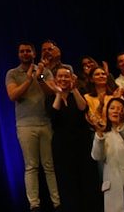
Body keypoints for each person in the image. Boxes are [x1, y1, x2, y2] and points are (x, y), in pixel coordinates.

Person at [5, 42, 61, 211]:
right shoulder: (13, 73)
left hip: (45, 122)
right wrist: (29, 79)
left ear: (34, 53)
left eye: (28, 51)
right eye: (22, 51)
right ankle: (34, 204)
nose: (25, 54)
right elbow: (13, 95)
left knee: (49, 165)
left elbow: (53, 91)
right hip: (25, 125)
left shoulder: (45, 71)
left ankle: (57, 202)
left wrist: (40, 77)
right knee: (31, 166)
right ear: (18, 54)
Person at [47, 65, 101, 212]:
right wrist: (58, 94)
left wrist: (74, 89)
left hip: (82, 142)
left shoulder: (79, 92)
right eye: (60, 76)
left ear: (72, 78)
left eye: (67, 76)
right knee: (67, 183)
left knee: (87, 180)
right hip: (62, 145)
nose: (63, 79)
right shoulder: (51, 96)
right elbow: (53, 116)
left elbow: (83, 108)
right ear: (55, 79)